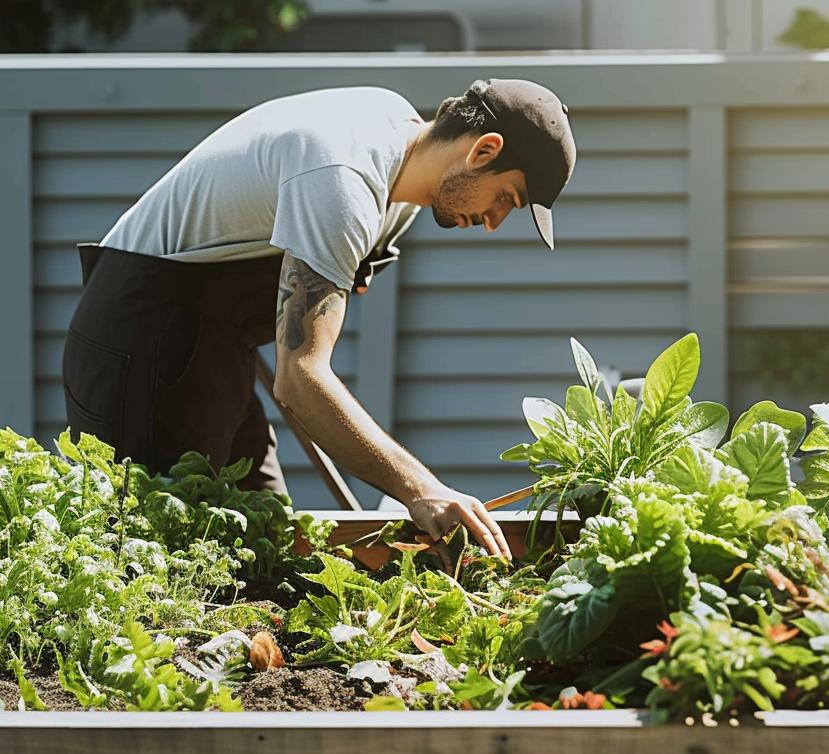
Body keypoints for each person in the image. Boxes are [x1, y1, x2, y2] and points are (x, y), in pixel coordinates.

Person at [62, 78, 576, 560]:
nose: (492, 223)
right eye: (506, 198)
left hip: (210, 339)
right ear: (482, 150)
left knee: (264, 547)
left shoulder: (397, 142)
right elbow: (301, 377)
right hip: (139, 341)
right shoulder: (345, 180)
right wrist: (421, 490)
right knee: (153, 569)